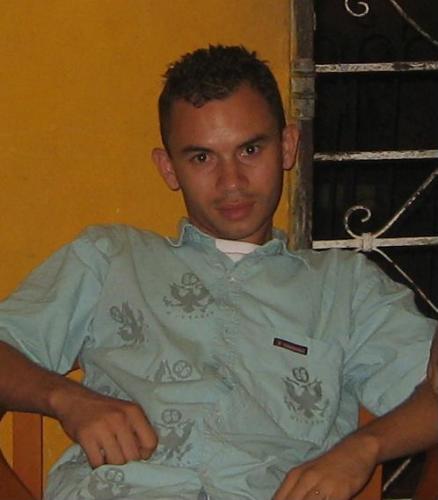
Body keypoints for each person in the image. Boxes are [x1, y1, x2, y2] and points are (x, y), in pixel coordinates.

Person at [0, 45, 437, 500]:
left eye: (250, 149)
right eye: (202, 158)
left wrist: (365, 447)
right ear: (169, 168)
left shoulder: (345, 289)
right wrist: (66, 399)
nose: (232, 182)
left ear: (288, 146)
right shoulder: (109, 258)